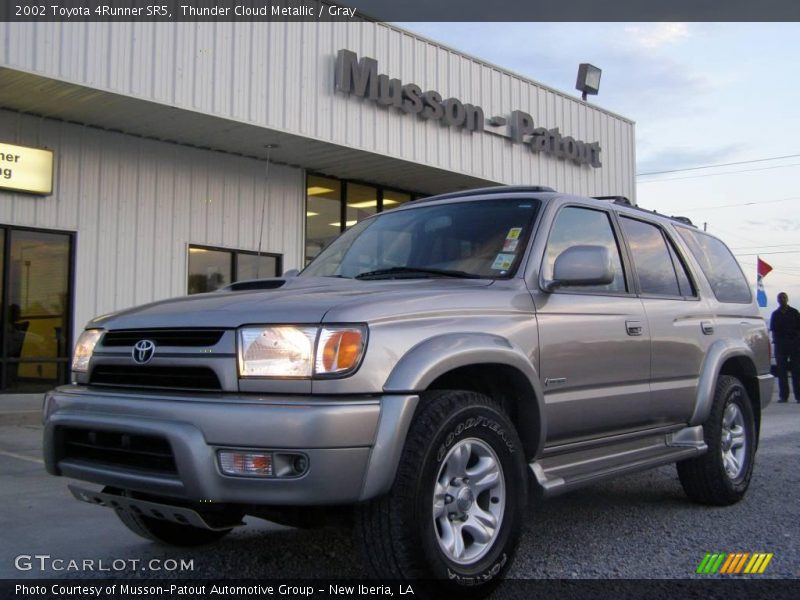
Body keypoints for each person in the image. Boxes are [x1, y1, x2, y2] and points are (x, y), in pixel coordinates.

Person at [770, 292, 800, 402]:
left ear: (787, 299)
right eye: (780, 298)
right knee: (782, 372)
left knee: (796, 372)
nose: (782, 299)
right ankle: (783, 396)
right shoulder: (775, 314)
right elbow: (773, 330)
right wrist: (776, 342)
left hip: (794, 346)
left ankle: (798, 396)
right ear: (778, 300)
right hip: (781, 346)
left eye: (784, 298)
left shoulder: (794, 312)